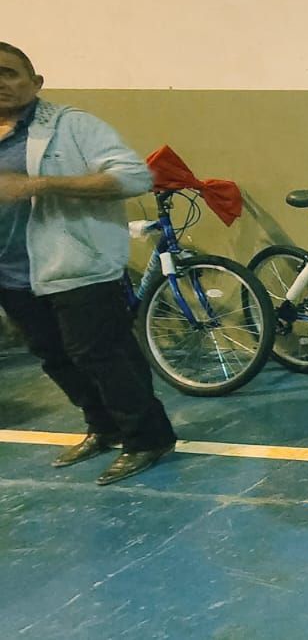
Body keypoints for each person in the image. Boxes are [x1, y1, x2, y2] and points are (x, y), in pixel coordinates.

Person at [0, 42, 178, 485]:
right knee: (54, 357)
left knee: (102, 357)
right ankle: (103, 427)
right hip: (12, 274)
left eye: (9, 73)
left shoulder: (72, 125)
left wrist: (40, 184)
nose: (0, 83)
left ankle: (147, 439)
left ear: (35, 82)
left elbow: (134, 177)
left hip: (74, 264)